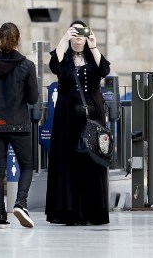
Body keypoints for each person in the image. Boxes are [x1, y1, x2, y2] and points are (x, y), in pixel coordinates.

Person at [45, 20, 111, 225]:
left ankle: (93, 211)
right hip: (67, 120)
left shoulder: (93, 57)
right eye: (75, 33)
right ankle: (70, 211)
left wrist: (94, 45)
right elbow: (55, 66)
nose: (78, 37)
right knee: (68, 162)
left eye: (81, 33)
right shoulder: (64, 57)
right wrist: (63, 39)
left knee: (93, 161)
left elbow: (104, 70)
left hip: (92, 119)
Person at [0, 22, 39, 229]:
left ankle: (0, 215)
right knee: (27, 166)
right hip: (19, 125)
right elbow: (32, 98)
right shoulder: (27, 66)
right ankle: (20, 203)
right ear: (18, 39)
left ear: (0, 38)